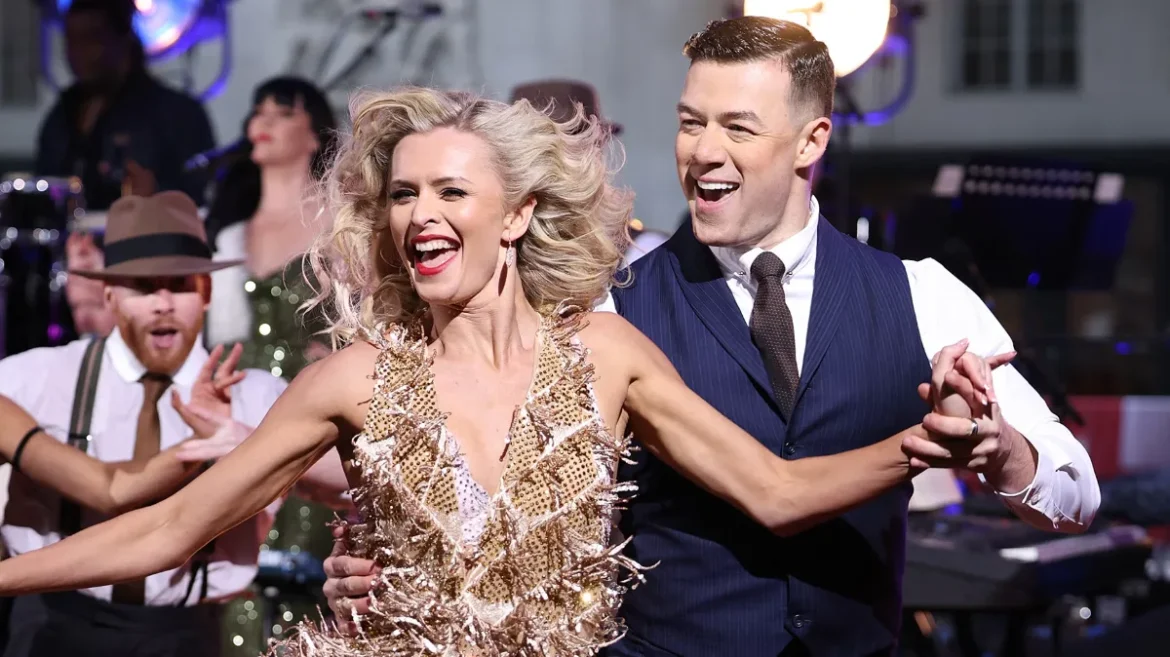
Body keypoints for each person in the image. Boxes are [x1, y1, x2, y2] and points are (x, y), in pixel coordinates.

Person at [0, 87, 980, 656]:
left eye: (450, 191)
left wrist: (922, 443)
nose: (420, 214)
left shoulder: (606, 358)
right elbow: (171, 527)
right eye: (403, 194)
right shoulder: (352, 381)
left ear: (514, 215)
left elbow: (775, 492)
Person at [321, 18, 1100, 657]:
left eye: (737, 127)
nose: (703, 151)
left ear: (810, 142)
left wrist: (1000, 451)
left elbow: (1075, 494)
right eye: (691, 123)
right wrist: (386, 558)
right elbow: (478, 485)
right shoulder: (603, 310)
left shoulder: (922, 295)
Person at [0, 191, 341, 657]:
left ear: (206, 292)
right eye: (144, 286)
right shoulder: (34, 378)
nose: (163, 302)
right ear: (110, 296)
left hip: (185, 634)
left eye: (179, 284)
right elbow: (112, 490)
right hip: (52, 624)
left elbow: (351, 486)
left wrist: (242, 440)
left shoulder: (257, 397)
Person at [202, 75, 343, 655]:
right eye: (257, 110)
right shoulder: (231, 230)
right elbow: (217, 334)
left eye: (281, 112)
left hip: (313, 409)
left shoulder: (340, 223)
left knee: (305, 563)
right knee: (238, 562)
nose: (261, 121)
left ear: (313, 134)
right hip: (243, 405)